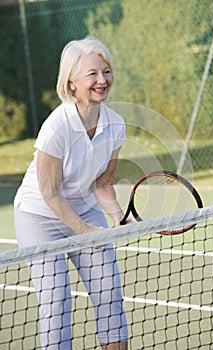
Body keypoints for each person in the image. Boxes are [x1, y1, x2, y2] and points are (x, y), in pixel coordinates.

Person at [14, 37, 128, 350]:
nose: (102, 80)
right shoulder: (56, 127)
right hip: (38, 216)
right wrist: (86, 232)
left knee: (108, 293)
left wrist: (117, 217)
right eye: (92, 74)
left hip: (85, 209)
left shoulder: (116, 125)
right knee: (56, 300)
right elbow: (50, 192)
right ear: (72, 83)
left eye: (106, 71)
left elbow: (102, 183)